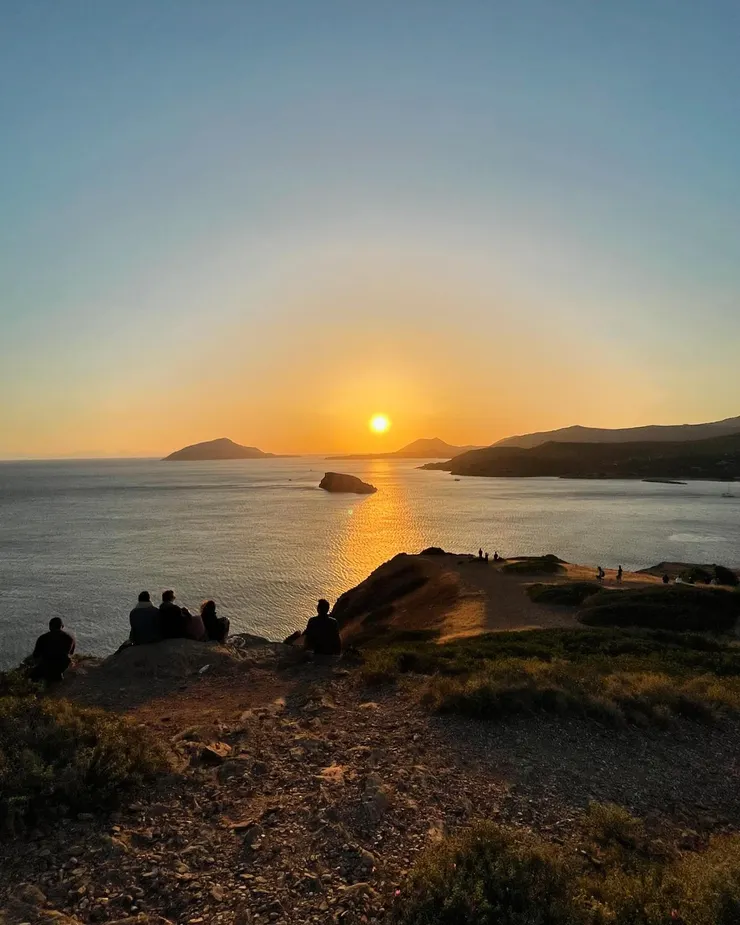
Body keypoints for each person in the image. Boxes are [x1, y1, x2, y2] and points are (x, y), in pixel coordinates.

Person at [30, 617, 76, 683]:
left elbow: (36, 655)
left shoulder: (43, 638)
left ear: (49, 627)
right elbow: (71, 653)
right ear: (62, 626)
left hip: (46, 666)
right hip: (62, 665)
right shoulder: (70, 638)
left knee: (31, 674)